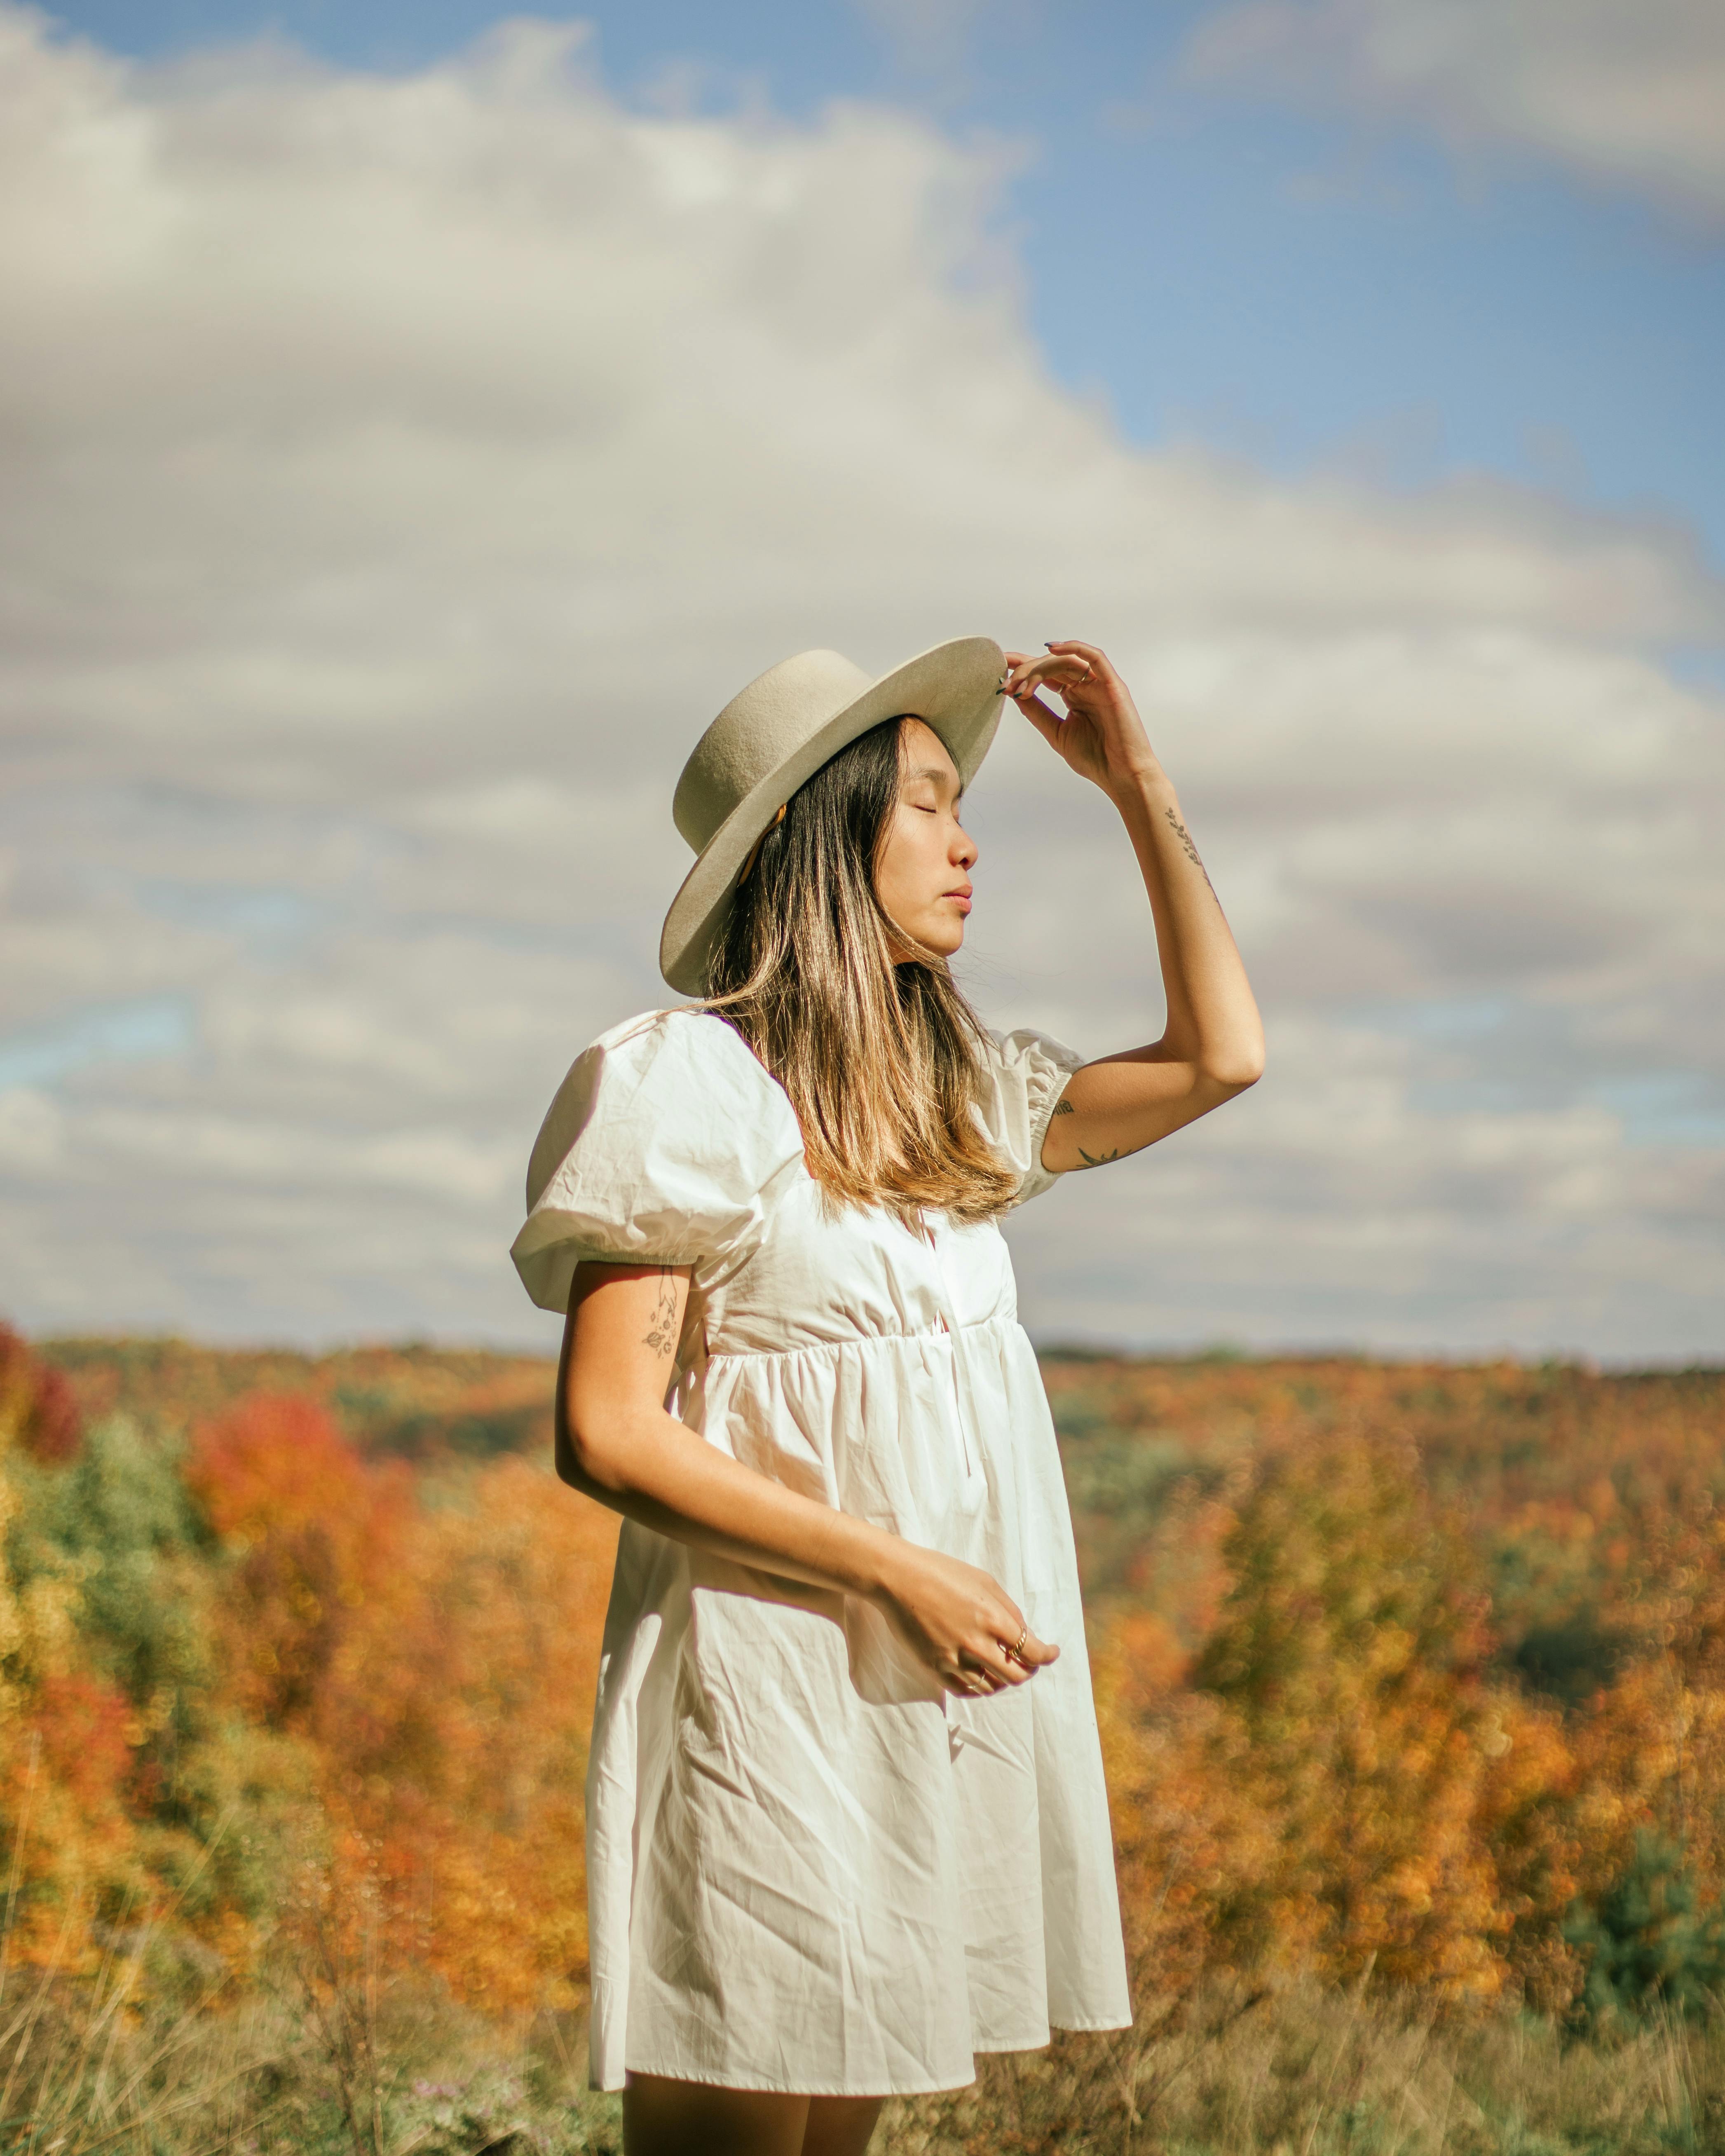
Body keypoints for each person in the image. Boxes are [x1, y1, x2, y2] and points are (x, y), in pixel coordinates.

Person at [510, 635, 1264, 2156]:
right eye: (926, 803)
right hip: (766, 1688)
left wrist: (1140, 788)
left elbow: (1219, 1057)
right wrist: (895, 1570)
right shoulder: (681, 1086)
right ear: (815, 833)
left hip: (910, 1700)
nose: (967, 839)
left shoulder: (950, 1099)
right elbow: (605, 1431)